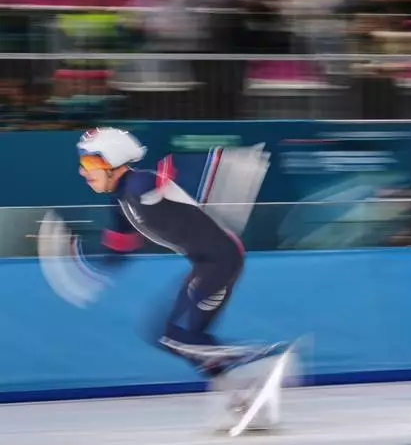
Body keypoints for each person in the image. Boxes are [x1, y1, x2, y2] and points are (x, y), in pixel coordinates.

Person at [75, 128, 285, 386]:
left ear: (114, 160)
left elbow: (171, 172)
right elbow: (118, 252)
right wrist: (80, 261)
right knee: (186, 339)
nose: (82, 172)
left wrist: (235, 164)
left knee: (174, 336)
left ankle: (261, 359)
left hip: (220, 260)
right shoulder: (120, 203)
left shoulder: (139, 183)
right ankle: (238, 391)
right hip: (208, 262)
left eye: (88, 162)